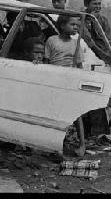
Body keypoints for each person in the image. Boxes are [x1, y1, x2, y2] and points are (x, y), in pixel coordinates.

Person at [44, 15, 86, 156]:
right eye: (72, 24)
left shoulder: (76, 43)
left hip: (71, 80)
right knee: (55, 113)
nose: (75, 27)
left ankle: (82, 144)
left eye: (77, 25)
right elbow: (46, 61)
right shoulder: (52, 40)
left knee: (76, 113)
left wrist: (80, 81)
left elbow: (79, 65)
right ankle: (55, 145)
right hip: (55, 80)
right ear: (62, 25)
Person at [82, 0, 111, 116]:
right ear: (86, 4)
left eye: (99, 4)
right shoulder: (82, 18)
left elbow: (109, 39)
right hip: (89, 50)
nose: (98, 7)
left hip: (105, 50)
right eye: (94, 4)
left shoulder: (103, 19)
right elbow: (89, 41)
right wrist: (104, 56)